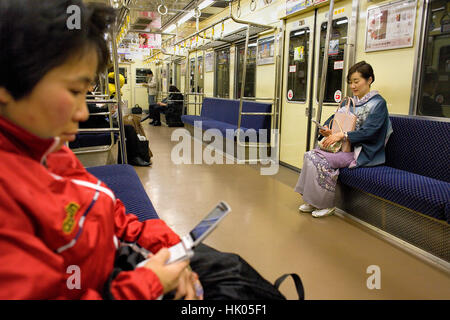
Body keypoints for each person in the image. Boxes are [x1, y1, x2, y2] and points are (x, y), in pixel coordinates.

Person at [0, 0, 282, 300]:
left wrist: (170, 247)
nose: (83, 113)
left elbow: (104, 210)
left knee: (233, 269)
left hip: (109, 257)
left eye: (85, 93)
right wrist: (154, 281)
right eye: (73, 92)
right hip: (109, 281)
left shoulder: (47, 147)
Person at [295, 61, 393, 218]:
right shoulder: (350, 102)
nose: (353, 86)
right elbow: (334, 121)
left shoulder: (378, 103)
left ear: (369, 80)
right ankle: (312, 200)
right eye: (350, 82)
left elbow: (371, 132)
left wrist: (343, 135)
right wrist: (327, 130)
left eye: (356, 81)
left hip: (361, 151)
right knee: (310, 155)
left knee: (319, 160)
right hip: (343, 148)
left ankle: (325, 204)